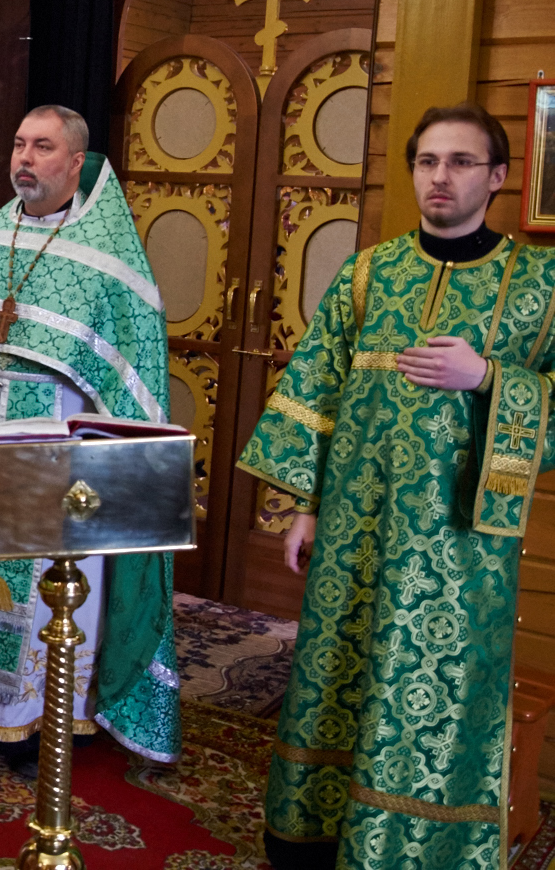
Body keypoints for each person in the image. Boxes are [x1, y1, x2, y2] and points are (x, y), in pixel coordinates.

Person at [237, 102, 555, 869]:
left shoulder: (542, 283)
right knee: (334, 673)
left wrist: (488, 376)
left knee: (434, 693)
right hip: (355, 528)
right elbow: (318, 388)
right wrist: (306, 505)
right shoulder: (368, 273)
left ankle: (420, 847)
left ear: (497, 176)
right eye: (427, 161)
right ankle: (313, 837)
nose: (440, 176)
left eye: (461, 161)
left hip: (460, 547)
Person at [0, 104, 180, 771]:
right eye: (20, 144)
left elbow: (133, 383)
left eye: (43, 147)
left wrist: (108, 464)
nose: (25, 158)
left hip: (62, 453)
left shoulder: (110, 265)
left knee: (50, 585)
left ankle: (46, 719)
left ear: (76, 162)